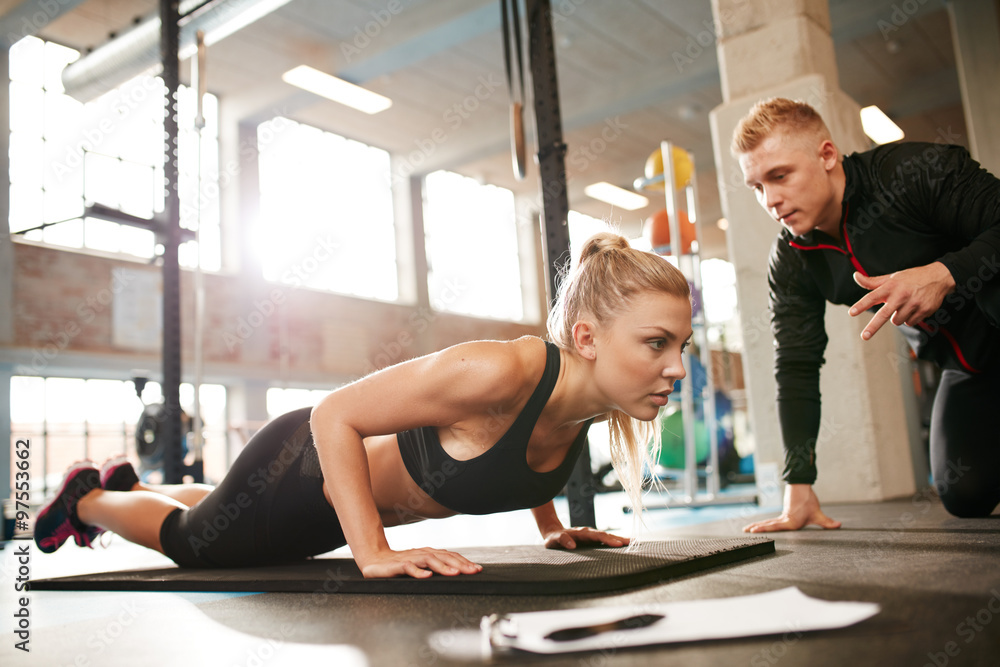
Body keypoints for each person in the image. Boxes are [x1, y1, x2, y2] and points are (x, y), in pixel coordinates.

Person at [34, 232, 693, 579]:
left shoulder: (589, 402)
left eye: (683, 344)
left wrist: (550, 527)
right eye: (657, 343)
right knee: (196, 542)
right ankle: (88, 496)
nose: (678, 366)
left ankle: (138, 485)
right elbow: (333, 415)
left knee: (221, 509)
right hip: (305, 470)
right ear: (587, 337)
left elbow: (518, 450)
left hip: (336, 509)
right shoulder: (502, 367)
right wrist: (372, 551)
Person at [732, 97, 1000, 533]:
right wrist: (799, 482)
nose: (771, 200)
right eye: (757, 186)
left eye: (780, 176)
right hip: (969, 367)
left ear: (827, 155)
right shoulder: (793, 258)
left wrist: (945, 272)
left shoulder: (911, 172)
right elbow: (796, 364)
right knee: (964, 494)